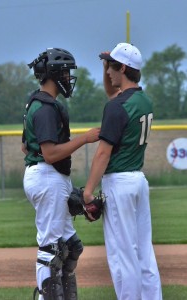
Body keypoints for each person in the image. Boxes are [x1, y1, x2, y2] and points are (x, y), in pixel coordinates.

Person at [83, 43, 162, 300]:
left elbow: (103, 153)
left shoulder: (117, 107)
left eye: (112, 67)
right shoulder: (144, 100)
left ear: (124, 68)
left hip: (119, 183)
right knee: (143, 254)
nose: (108, 73)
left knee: (122, 255)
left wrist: (87, 191)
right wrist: (107, 62)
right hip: (138, 181)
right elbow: (113, 95)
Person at [22, 47, 100, 300]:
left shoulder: (38, 102)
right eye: (65, 72)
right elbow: (50, 154)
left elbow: (25, 146)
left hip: (50, 177)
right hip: (47, 174)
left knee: (71, 247)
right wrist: (84, 139)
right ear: (53, 73)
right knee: (52, 248)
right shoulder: (44, 107)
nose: (68, 78)